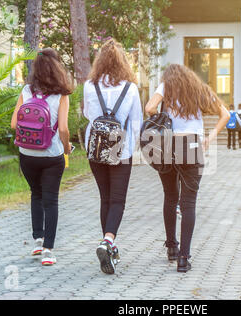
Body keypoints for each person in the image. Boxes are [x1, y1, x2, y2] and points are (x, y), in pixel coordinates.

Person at [145, 64, 230, 272]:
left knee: (170, 196)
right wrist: (209, 138)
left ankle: (172, 248)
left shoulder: (166, 86)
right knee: (188, 202)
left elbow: (149, 108)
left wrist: (163, 120)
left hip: (169, 145)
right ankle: (184, 258)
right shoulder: (199, 88)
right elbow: (225, 114)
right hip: (193, 145)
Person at [83, 39, 143, 275]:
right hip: (121, 149)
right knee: (118, 199)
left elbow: (89, 114)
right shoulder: (130, 88)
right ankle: (108, 241)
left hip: (95, 148)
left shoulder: (90, 85)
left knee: (105, 197)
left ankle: (107, 243)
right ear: (123, 63)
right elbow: (136, 122)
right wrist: (132, 148)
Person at [10, 48, 74, 266]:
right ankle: (48, 250)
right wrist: (66, 148)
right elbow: (64, 129)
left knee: (35, 194)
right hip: (51, 153)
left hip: (27, 153)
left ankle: (38, 240)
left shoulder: (26, 90)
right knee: (51, 200)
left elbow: (13, 124)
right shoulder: (61, 94)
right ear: (58, 69)